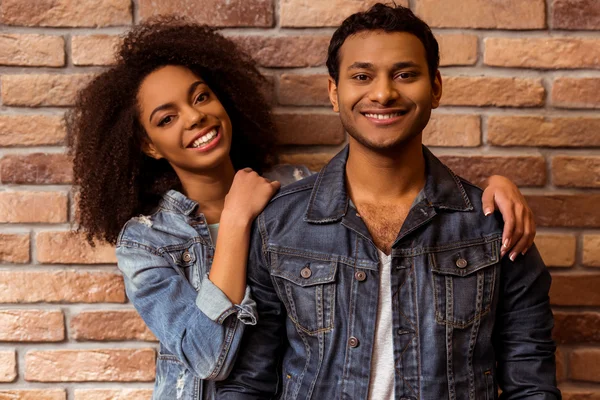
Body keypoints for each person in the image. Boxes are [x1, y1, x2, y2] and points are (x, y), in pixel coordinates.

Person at [67, 17, 540, 400]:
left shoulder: (291, 190)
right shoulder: (149, 239)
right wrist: (235, 220)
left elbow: (378, 172)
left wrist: (488, 191)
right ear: (148, 145)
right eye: (167, 118)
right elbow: (215, 361)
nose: (194, 118)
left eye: (201, 97)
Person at [217, 4, 559, 400]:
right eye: (362, 76)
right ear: (334, 92)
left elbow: (531, 382)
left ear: (435, 87)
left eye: (405, 75)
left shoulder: (493, 225)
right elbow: (248, 382)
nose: (382, 93)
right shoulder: (278, 224)